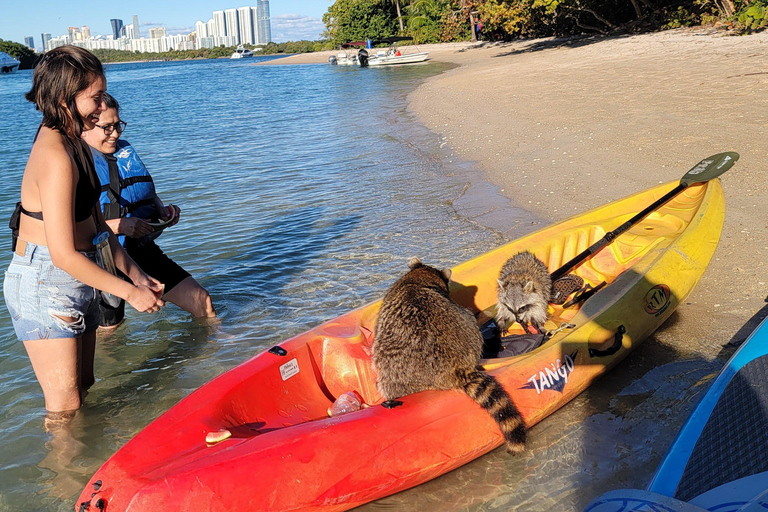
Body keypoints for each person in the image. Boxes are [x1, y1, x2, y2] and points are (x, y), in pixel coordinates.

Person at [3, 46, 165, 413]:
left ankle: (87, 467)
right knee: (65, 408)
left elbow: (96, 228)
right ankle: (68, 472)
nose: (102, 104)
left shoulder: (76, 141)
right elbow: (62, 255)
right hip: (46, 278)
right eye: (95, 97)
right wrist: (130, 293)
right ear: (65, 98)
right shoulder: (56, 155)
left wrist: (137, 275)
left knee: (85, 389)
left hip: (81, 270)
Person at [82, 93, 215, 328]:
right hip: (103, 261)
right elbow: (68, 229)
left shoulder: (123, 152)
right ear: (85, 128)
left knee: (202, 301)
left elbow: (143, 190)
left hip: (140, 250)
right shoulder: (77, 164)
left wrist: (161, 210)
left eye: (118, 125)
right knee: (110, 332)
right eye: (107, 128)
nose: (116, 134)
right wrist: (118, 225)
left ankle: (222, 352)